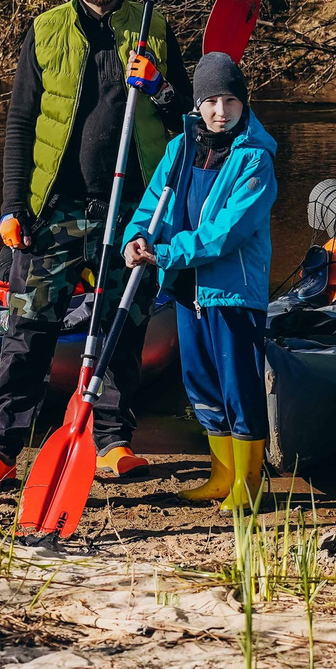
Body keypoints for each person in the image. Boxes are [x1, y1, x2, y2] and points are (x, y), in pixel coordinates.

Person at [0, 0, 192, 491]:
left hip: (131, 209)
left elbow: (188, 117)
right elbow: (21, 122)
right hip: (54, 208)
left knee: (123, 326)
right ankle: (0, 448)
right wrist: (12, 204)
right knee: (28, 329)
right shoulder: (45, 29)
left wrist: (159, 85)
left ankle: (114, 440)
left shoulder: (152, 27)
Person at [123, 51, 276, 511]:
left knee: (239, 387)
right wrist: (136, 237)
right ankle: (220, 476)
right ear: (198, 104)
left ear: (244, 103)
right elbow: (153, 204)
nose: (220, 111)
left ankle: (249, 484)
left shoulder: (256, 159)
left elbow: (226, 232)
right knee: (202, 384)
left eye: (230, 100)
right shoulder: (180, 148)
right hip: (187, 291)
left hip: (233, 293)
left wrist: (166, 253)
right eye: (211, 101)